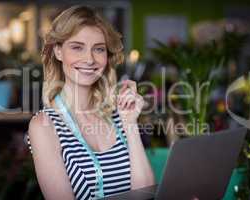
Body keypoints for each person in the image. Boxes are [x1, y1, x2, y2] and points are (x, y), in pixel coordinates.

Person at [27, 5, 155, 200]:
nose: (89, 59)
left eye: (99, 49)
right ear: (58, 51)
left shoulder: (118, 116)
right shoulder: (44, 126)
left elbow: (145, 194)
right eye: (77, 47)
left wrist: (130, 123)